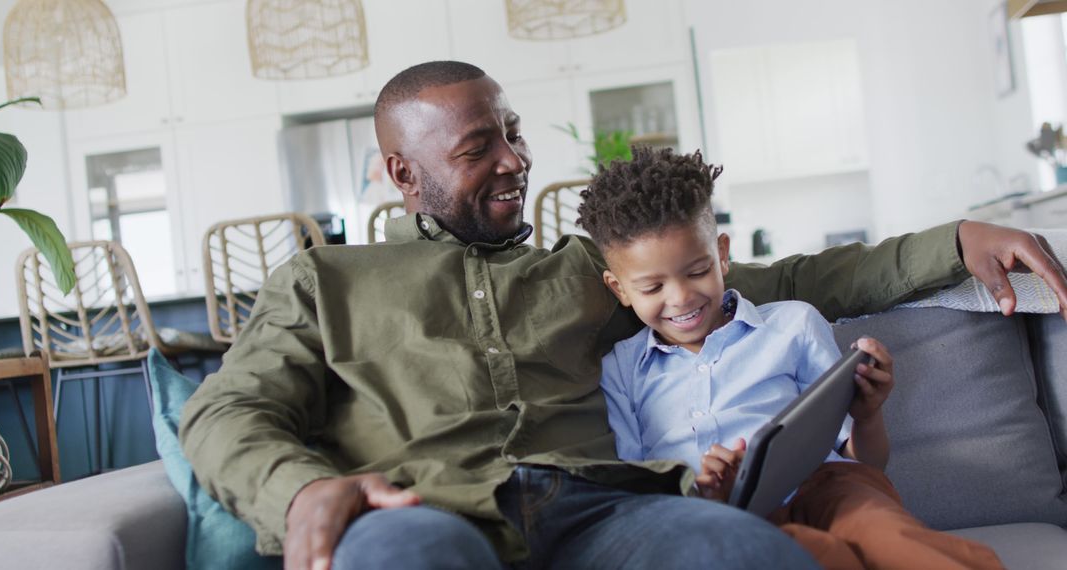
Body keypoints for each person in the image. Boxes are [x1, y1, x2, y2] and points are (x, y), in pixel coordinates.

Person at [179, 61, 1067, 570]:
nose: (515, 160)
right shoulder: (323, 283)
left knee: (743, 556)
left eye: (513, 133)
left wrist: (952, 242)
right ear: (405, 175)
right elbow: (225, 411)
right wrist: (298, 489)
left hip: (596, 510)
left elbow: (786, 275)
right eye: (479, 146)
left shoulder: (585, 274)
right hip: (426, 513)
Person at [579, 147, 1004, 569]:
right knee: (815, 556)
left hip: (826, 487)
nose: (681, 297)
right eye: (652, 288)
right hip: (715, 517)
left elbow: (868, 463)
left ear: (722, 254)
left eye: (696, 272)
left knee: (892, 540)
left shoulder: (792, 325)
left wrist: (869, 415)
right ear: (619, 289)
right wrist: (700, 491)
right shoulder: (621, 369)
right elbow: (636, 495)